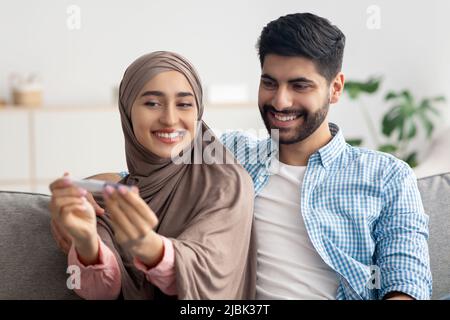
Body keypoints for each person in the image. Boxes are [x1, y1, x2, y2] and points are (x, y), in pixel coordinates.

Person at [56, 13, 432, 300]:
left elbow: (406, 281)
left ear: (335, 88)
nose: (280, 101)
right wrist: (80, 195)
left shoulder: (387, 176)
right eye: (270, 82)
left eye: (299, 85)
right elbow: (150, 174)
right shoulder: (229, 154)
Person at [48, 51, 256, 300]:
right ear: (127, 112)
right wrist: (86, 244)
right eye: (152, 103)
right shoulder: (106, 203)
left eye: (184, 104)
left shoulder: (227, 183)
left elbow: (211, 276)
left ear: (198, 112)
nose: (170, 119)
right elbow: (101, 291)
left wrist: (148, 246)